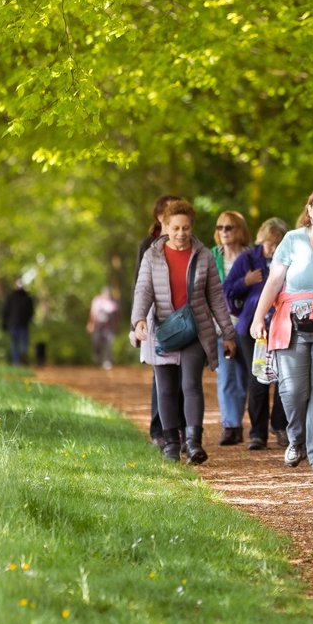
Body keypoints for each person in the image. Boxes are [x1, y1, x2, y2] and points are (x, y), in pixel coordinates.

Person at [250, 188, 313, 473]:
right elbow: (273, 282)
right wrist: (259, 316)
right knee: (292, 391)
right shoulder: (292, 240)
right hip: (291, 325)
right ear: (309, 210)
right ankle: (296, 440)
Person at [132, 200, 236, 465]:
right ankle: (170, 444)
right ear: (166, 226)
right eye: (176, 228)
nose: (181, 233)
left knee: (191, 385)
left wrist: (227, 333)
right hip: (163, 330)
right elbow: (143, 290)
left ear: (192, 227)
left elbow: (215, 296)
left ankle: (193, 443)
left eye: (186, 228)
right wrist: (139, 320)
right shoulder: (152, 255)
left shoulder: (203, 255)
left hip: (196, 329)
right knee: (165, 388)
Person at [224, 217, 290, 451]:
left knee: (285, 377)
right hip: (252, 328)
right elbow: (227, 290)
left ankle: (280, 426)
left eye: (277, 242)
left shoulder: (289, 260)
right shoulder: (248, 259)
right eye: (269, 242)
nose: (272, 247)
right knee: (258, 379)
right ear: (261, 240)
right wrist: (246, 281)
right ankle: (257, 433)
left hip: (282, 325)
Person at [134, 193, 182, 453]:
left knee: (183, 376)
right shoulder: (147, 246)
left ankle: (181, 429)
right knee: (161, 376)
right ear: (160, 217)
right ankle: (159, 430)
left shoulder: (189, 244)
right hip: (156, 316)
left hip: (183, 317)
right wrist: (137, 321)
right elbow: (139, 285)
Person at [212, 210, 252, 446]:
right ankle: (231, 426)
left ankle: (240, 420)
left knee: (246, 377)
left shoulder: (251, 257)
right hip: (220, 327)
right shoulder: (211, 256)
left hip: (246, 327)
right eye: (220, 228)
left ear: (240, 230)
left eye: (229, 227)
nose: (224, 232)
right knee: (226, 377)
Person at [2, 279, 35, 365]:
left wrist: (5, 323)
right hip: (20, 324)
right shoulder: (25, 297)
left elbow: (6, 311)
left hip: (17, 324)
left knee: (16, 343)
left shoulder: (12, 297)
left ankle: (17, 361)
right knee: (20, 343)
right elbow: (31, 311)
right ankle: (19, 360)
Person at [87, 285, 120, 369]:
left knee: (109, 344)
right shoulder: (97, 301)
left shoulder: (113, 303)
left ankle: (107, 361)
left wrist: (116, 327)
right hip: (98, 326)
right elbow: (92, 314)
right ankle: (97, 355)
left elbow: (116, 317)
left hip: (109, 327)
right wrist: (91, 324)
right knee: (96, 341)